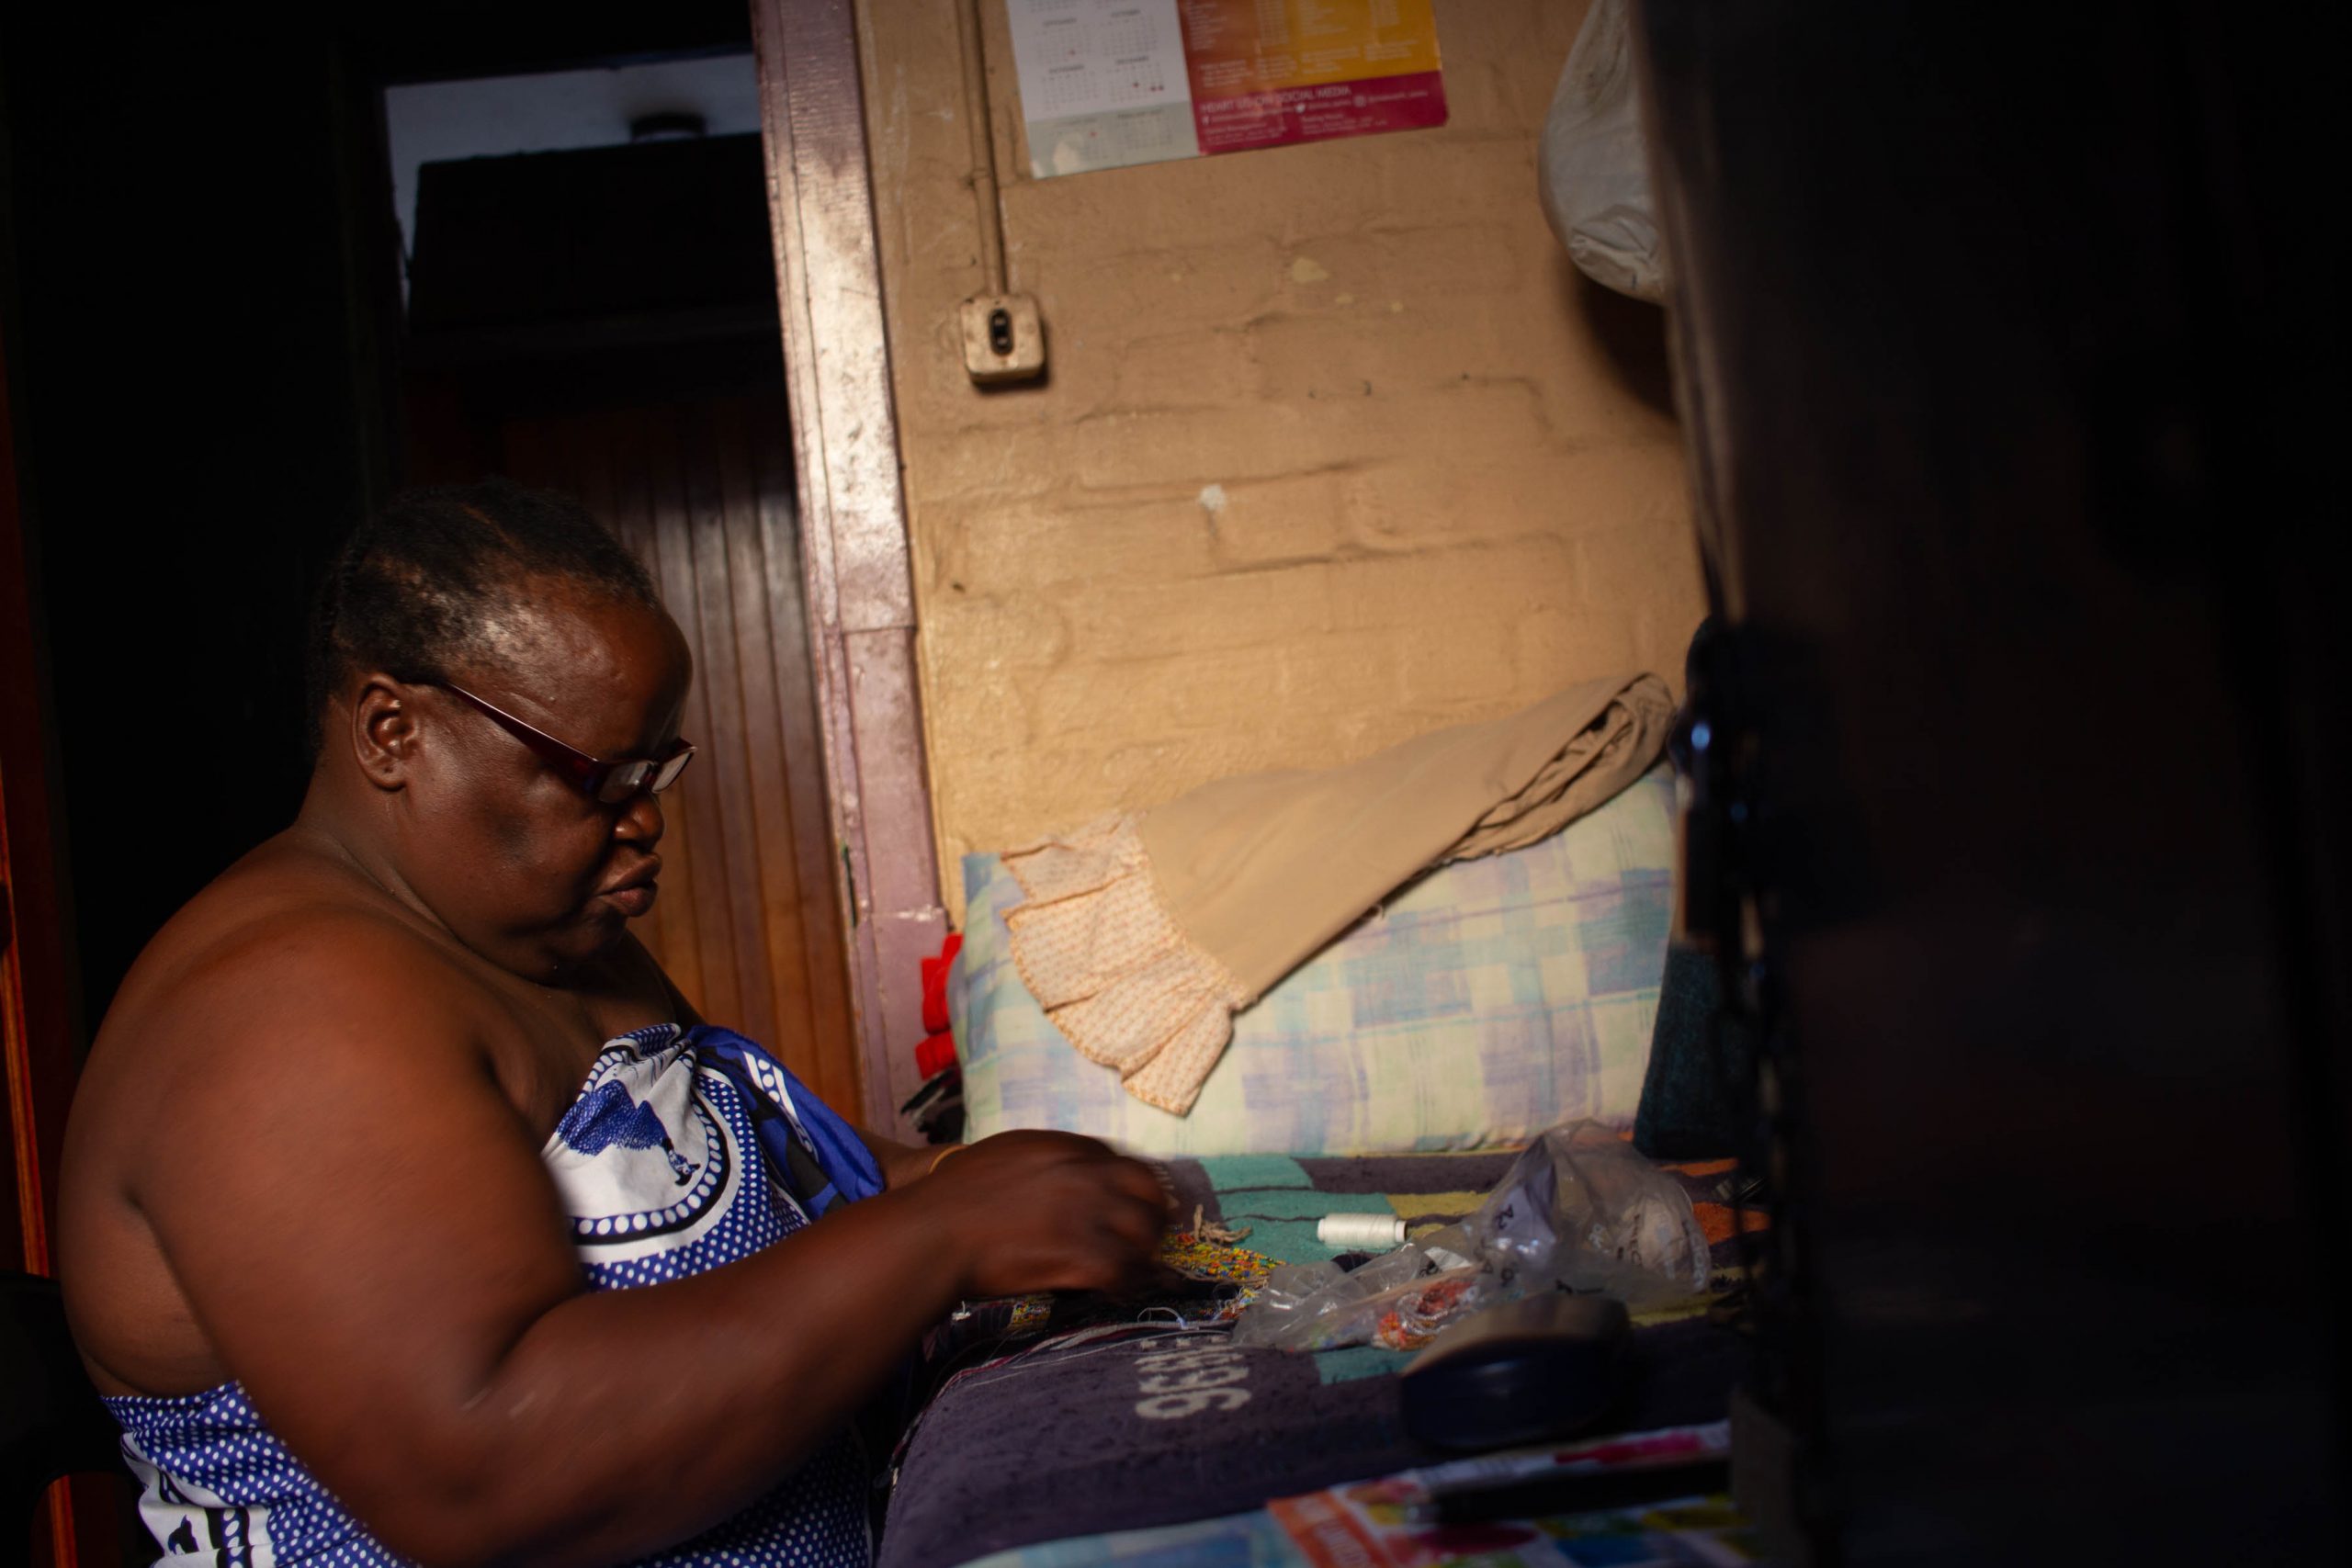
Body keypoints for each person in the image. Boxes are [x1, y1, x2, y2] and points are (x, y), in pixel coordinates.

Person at [55, 480, 1169, 1568]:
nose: (644, 822)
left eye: (656, 769)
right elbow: (485, 1470)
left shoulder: (542, 940)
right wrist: (943, 1237)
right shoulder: (281, 1018)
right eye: (595, 777)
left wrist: (998, 1187)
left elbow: (811, 1177)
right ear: (392, 731)